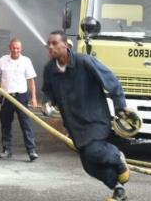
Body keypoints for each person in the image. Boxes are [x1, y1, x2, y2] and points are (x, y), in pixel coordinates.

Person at [42, 30, 131, 201]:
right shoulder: (49, 69)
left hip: (95, 119)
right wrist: (47, 103)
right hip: (75, 125)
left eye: (54, 43)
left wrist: (121, 109)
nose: (50, 47)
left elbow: (112, 82)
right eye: (49, 44)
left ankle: (117, 156)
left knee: (94, 151)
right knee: (89, 165)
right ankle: (118, 189)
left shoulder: (84, 62)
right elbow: (48, 91)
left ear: (66, 45)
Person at [0, 39, 39, 161]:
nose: (15, 50)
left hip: (21, 98)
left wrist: (33, 98)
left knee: (26, 124)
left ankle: (31, 151)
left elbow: (31, 81)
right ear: (10, 47)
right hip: (6, 97)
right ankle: (7, 150)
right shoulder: (3, 60)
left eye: (18, 48)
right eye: (14, 48)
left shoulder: (26, 61)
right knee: (5, 125)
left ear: (21, 49)